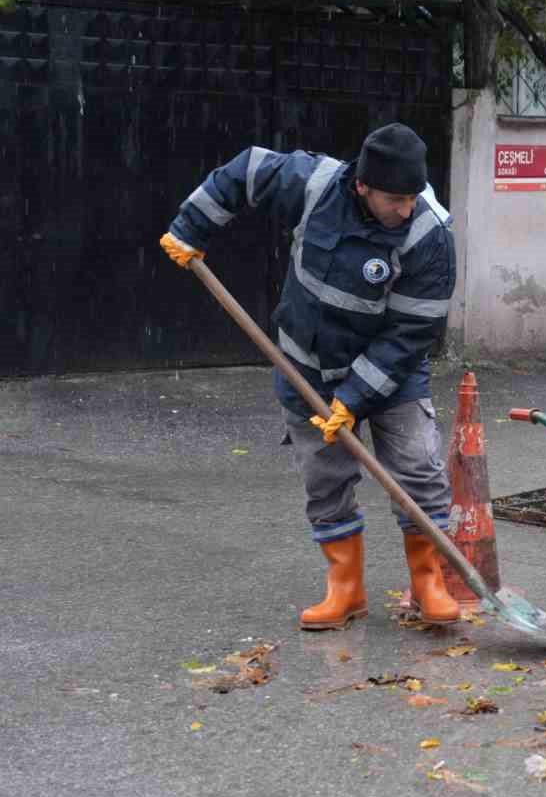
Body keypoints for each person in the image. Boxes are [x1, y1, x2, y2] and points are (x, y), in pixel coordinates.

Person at [159, 124, 460, 630]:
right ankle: (345, 590)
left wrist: (357, 395)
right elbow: (248, 169)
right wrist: (190, 228)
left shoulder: (429, 236)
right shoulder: (317, 185)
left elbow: (413, 331)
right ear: (362, 185)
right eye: (395, 199)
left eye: (413, 197)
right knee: (326, 481)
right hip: (307, 366)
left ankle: (428, 583)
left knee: (418, 468)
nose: (406, 209)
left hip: (391, 373)